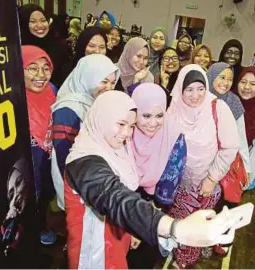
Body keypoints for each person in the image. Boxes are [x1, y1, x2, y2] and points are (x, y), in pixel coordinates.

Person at [65, 91, 238, 269]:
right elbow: (115, 198)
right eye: (121, 124)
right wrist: (176, 229)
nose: (127, 133)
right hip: (94, 251)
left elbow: (127, 193)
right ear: (102, 119)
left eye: (131, 125)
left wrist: (133, 228)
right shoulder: (84, 162)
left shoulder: (114, 148)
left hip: (115, 239)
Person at [167, 64, 240, 268]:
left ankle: (184, 261)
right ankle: (177, 250)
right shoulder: (174, 108)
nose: (195, 95)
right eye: (189, 89)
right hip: (179, 184)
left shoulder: (218, 108)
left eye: (200, 88)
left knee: (197, 228)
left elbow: (230, 147)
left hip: (205, 184)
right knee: (179, 222)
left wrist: (211, 178)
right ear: (180, 88)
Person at [127, 83, 186, 269]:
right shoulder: (124, 131)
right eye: (146, 115)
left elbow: (170, 181)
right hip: (122, 203)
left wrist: (145, 219)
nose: (153, 123)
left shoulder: (174, 134)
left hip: (154, 206)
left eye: (160, 115)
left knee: (143, 258)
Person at [51, 54, 119, 209]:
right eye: (103, 81)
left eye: (113, 82)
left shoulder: (94, 102)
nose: (109, 87)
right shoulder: (68, 110)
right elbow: (65, 158)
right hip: (76, 188)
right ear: (88, 78)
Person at [22, 45, 57, 245]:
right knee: (27, 199)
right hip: (27, 163)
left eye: (46, 68)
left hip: (47, 157)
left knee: (45, 194)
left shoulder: (52, 91)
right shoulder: (12, 97)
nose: (41, 75)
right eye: (33, 68)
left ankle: (40, 226)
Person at [207, 62, 251, 184]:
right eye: (222, 77)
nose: (226, 83)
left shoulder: (233, 102)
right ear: (211, 76)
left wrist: (246, 167)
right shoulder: (200, 97)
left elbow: (241, 137)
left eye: (230, 79)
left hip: (223, 160)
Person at [18, 4, 68, 87]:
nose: (40, 25)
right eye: (33, 21)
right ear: (23, 23)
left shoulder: (57, 46)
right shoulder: (17, 51)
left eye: (43, 20)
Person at [236, 67, 255, 189]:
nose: (247, 87)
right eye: (243, 82)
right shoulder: (229, 101)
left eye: (253, 84)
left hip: (245, 160)